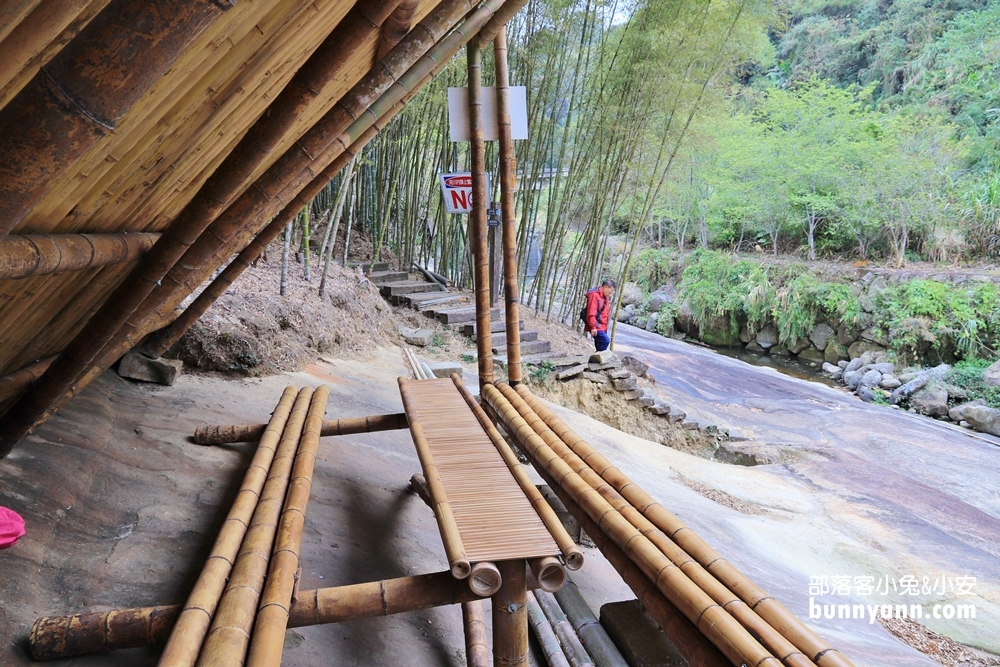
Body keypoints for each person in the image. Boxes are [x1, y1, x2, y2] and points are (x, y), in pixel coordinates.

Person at [583, 279, 615, 352]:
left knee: (600, 347)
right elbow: (591, 312)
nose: (611, 293)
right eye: (611, 291)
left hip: (602, 326)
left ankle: (595, 361)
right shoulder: (594, 295)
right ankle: (596, 360)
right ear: (606, 287)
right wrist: (593, 327)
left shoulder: (604, 297)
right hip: (596, 326)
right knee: (605, 341)